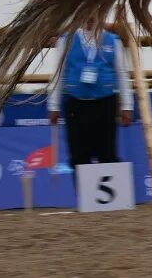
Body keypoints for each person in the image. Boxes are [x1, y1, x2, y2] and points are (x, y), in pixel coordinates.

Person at [47, 17, 134, 180]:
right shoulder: (66, 41)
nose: (91, 18)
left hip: (105, 102)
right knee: (78, 154)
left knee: (107, 152)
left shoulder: (113, 40)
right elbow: (57, 75)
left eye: (95, 13)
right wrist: (53, 106)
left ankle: (109, 200)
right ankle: (85, 201)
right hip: (76, 103)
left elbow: (122, 75)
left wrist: (127, 106)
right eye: (86, 13)